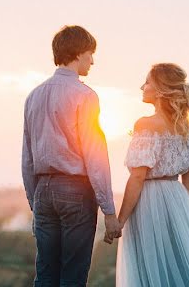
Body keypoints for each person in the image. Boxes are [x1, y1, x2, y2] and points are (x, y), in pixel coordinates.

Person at [21, 25, 122, 287]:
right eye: (90, 53)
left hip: (43, 191)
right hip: (75, 190)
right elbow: (95, 154)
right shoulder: (85, 96)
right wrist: (109, 211)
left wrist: (36, 203)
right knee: (72, 277)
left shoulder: (33, 96)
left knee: (45, 275)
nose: (93, 60)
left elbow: (27, 158)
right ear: (78, 54)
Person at [114, 63, 189, 286]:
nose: (142, 86)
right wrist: (181, 214)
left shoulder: (145, 125)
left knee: (150, 265)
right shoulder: (186, 129)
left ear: (161, 90)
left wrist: (120, 220)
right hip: (178, 201)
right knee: (180, 265)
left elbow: (137, 177)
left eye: (147, 82)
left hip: (148, 201)